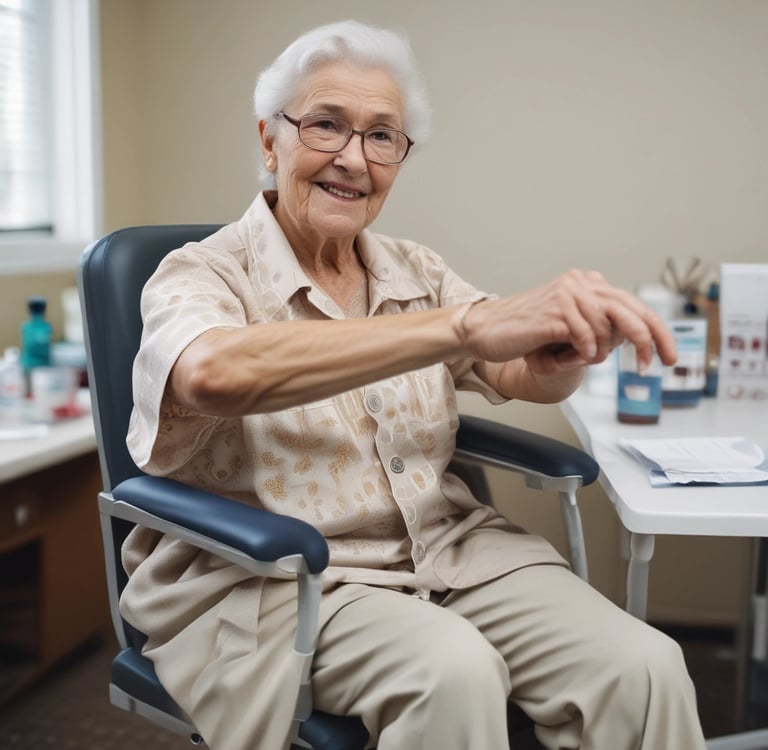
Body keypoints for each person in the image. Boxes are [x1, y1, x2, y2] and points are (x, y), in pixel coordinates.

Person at [122, 19, 707, 750]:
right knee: (453, 674)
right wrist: (461, 326)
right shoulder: (201, 272)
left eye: (381, 136)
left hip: (448, 550)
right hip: (276, 576)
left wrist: (563, 351)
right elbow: (214, 372)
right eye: (326, 125)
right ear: (270, 141)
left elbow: (514, 369)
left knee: (645, 667)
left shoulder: (415, 270)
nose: (353, 158)